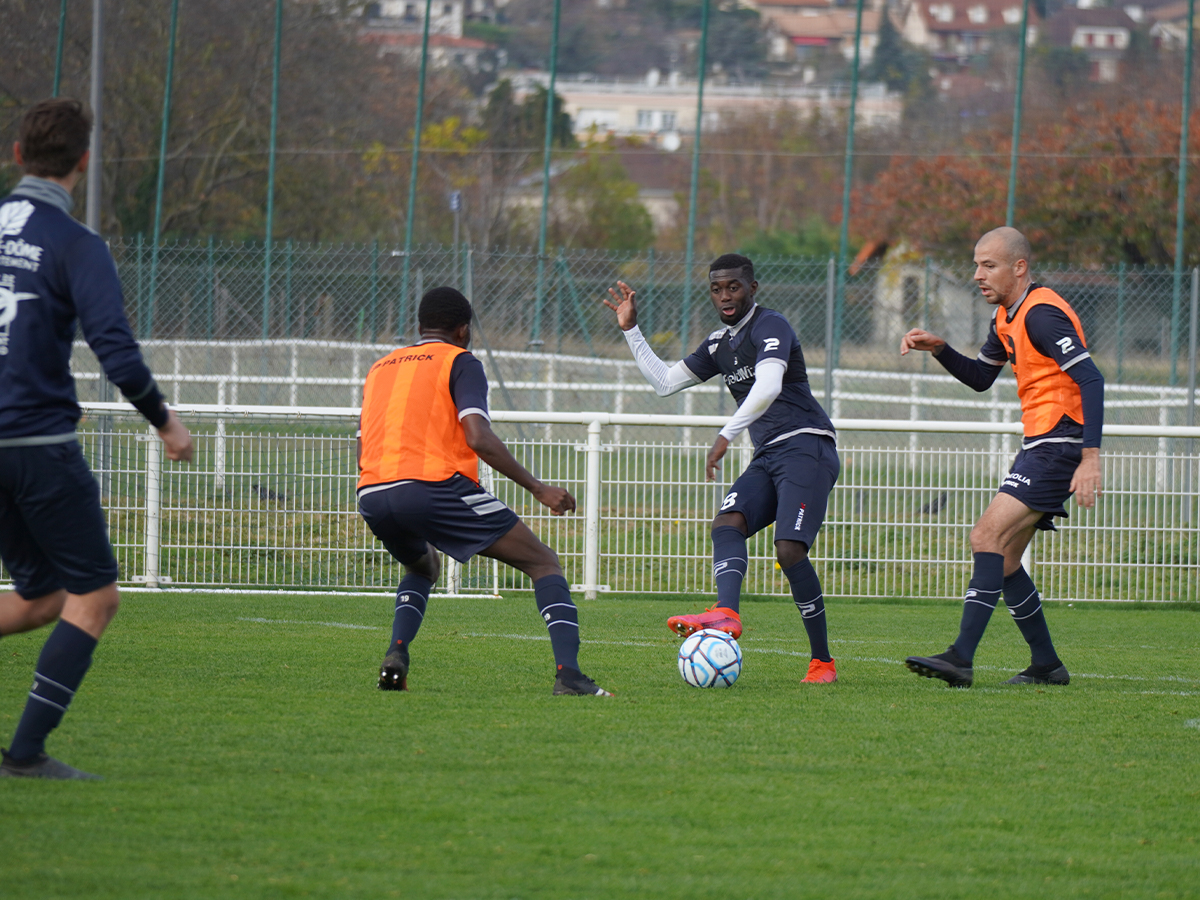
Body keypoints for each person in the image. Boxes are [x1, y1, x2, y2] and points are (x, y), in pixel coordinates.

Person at [0, 99, 193, 779]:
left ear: (18, 155)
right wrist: (165, 422)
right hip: (35, 448)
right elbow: (113, 345)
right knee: (96, 597)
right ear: (84, 162)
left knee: (41, 598)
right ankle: (23, 755)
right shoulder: (73, 242)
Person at [356, 286, 611, 696]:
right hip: (431, 487)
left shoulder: (380, 368)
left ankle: (397, 655)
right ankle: (570, 676)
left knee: (423, 567)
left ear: (420, 326)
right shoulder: (460, 361)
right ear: (463, 329)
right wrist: (538, 488)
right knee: (544, 562)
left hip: (372, 491)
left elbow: (362, 444)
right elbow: (478, 436)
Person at [603, 254, 841, 684]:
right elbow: (664, 383)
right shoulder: (719, 344)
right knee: (727, 524)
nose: (725, 296)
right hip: (769, 454)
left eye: (734, 287)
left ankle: (822, 662)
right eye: (717, 289)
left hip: (808, 446)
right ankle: (727, 613)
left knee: (788, 551)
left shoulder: (772, 325)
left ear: (753, 288)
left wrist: (726, 434)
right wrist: (631, 330)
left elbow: (768, 386)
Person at [900, 226, 1104, 687]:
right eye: (976, 264)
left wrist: (1090, 457)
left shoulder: (1041, 315)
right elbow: (979, 377)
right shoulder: (1006, 318)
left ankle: (960, 657)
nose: (977, 274)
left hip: (1060, 444)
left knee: (985, 535)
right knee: (1007, 559)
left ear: (1019, 267)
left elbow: (1092, 380)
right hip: (1041, 444)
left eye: (988, 265)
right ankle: (1047, 665)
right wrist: (941, 349)